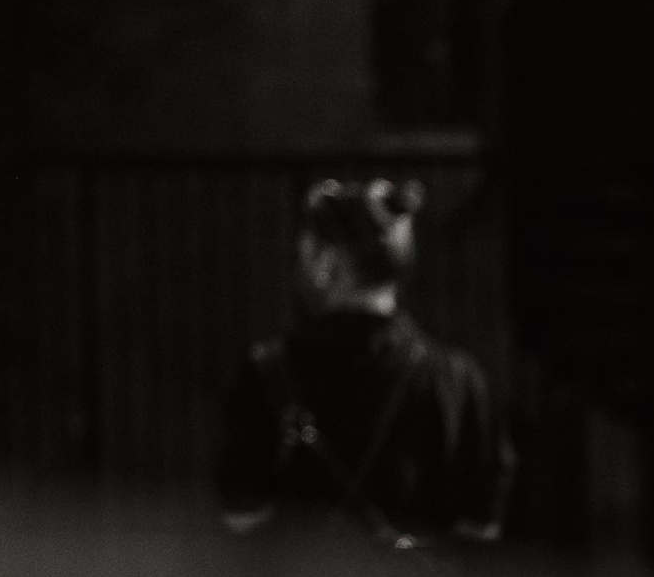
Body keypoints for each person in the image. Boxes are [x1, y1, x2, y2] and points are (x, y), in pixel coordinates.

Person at [216, 178, 511, 553]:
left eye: (304, 251)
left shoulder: (267, 373)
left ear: (326, 260)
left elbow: (242, 519)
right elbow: (481, 525)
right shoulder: (456, 377)